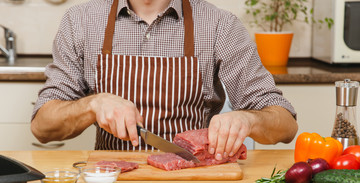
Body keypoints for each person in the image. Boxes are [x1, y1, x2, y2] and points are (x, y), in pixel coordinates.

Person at [31, 0, 298, 161]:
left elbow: (285, 125)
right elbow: (43, 127)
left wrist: (248, 119)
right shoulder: (81, 22)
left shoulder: (219, 25)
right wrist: (92, 104)